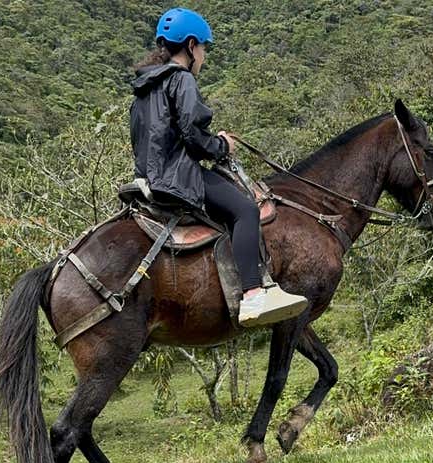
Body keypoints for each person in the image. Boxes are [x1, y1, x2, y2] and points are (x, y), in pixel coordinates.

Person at [129, 7, 308, 327]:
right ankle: (254, 294)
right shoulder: (180, 80)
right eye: (204, 49)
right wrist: (222, 145)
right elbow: (194, 138)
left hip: (148, 178)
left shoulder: (144, 88)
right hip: (178, 178)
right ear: (190, 45)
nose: (204, 56)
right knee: (245, 210)